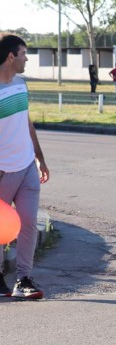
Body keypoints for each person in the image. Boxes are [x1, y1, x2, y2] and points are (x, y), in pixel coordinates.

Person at [0, 34, 50, 300]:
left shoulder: (21, 85)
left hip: (27, 165)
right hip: (3, 171)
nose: (26, 59)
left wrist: (39, 158)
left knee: (29, 223)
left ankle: (23, 279)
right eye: (23, 54)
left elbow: (26, 122)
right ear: (11, 56)